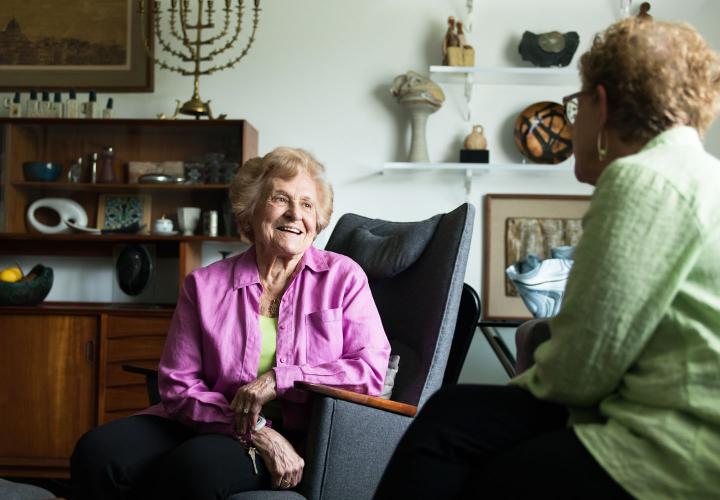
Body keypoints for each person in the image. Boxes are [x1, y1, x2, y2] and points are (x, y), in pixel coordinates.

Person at [376, 16, 720, 499]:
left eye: (576, 105)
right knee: (453, 415)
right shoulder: (701, 175)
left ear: (601, 104)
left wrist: (534, 361)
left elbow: (582, 371)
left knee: (456, 438)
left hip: (672, 449)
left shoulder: (643, 178)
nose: (574, 120)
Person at [72, 147, 391, 499]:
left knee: (196, 468)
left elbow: (370, 371)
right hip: (206, 419)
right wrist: (254, 430)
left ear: (318, 220)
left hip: (296, 432)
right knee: (96, 453)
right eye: (280, 199)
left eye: (306, 204)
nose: (294, 214)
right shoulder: (205, 286)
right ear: (251, 210)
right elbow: (179, 385)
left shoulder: (343, 278)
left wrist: (282, 379)